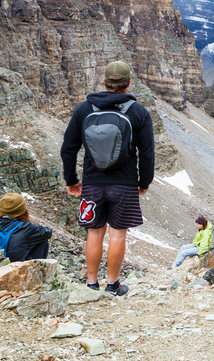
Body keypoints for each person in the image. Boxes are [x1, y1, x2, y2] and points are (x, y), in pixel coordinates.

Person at [60, 61, 155, 296]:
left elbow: (68, 149)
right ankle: (113, 285)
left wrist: (72, 181)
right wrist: (144, 182)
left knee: (94, 233)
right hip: (124, 184)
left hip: (92, 183)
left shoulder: (84, 109)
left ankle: (91, 284)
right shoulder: (138, 112)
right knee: (117, 234)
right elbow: (147, 152)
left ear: (104, 81)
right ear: (129, 83)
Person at [0, 193, 52, 262]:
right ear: (22, 210)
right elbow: (48, 232)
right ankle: (36, 272)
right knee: (42, 241)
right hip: (11, 269)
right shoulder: (26, 227)